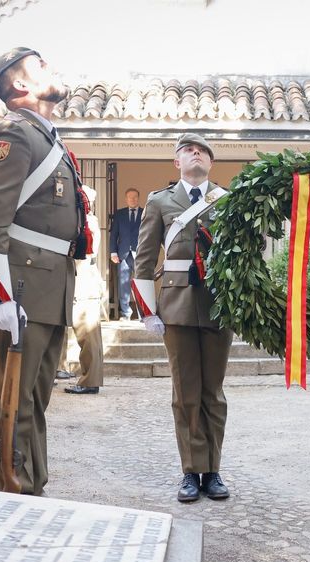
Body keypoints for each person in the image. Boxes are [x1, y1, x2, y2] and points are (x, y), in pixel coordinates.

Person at [0, 47, 85, 496]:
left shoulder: (48, 139)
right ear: (18, 84)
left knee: (34, 400)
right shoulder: (14, 136)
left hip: (47, 286)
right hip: (17, 287)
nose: (52, 68)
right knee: (14, 401)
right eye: (40, 65)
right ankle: (12, 494)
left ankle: (32, 489)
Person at [133, 134, 233, 503]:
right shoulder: (160, 201)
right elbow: (143, 260)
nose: (197, 154)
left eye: (203, 151)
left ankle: (214, 470)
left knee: (214, 393)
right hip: (175, 306)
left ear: (211, 162)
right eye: (189, 150)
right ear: (177, 162)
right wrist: (148, 311)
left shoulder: (228, 200)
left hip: (218, 305)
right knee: (185, 392)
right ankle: (192, 470)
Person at [67, 186, 104, 395]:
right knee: (89, 336)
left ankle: (90, 380)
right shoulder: (87, 220)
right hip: (82, 280)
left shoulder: (87, 221)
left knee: (88, 335)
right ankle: (89, 379)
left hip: (83, 282)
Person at [110, 187, 143, 319]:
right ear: (126, 199)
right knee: (124, 283)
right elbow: (114, 235)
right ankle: (126, 313)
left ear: (138, 198)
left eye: (135, 197)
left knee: (141, 283)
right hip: (123, 253)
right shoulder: (120, 214)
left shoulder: (145, 212)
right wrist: (113, 252)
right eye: (130, 197)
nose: (133, 199)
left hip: (140, 253)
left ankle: (143, 313)